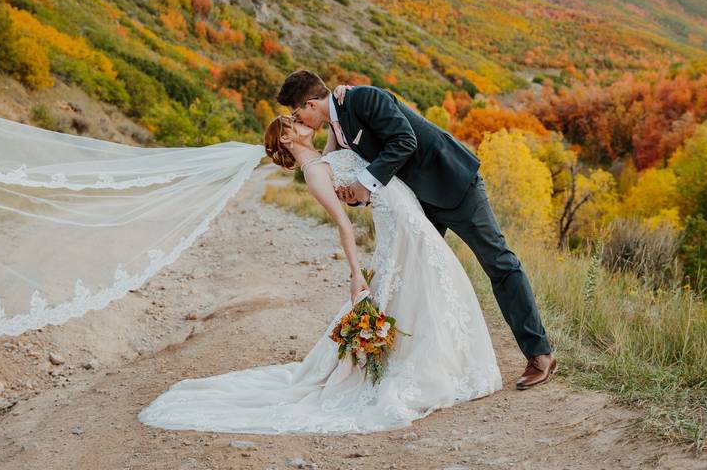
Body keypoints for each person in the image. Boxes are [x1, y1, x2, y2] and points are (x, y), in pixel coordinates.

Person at [136, 113, 502, 434]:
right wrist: (356, 275)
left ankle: (439, 359)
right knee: (418, 285)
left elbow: (333, 126)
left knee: (423, 287)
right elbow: (344, 226)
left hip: (406, 212)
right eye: (295, 123)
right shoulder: (313, 173)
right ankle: (429, 365)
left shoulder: (321, 157)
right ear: (285, 138)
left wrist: (336, 102)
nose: (303, 122)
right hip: (397, 223)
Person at [277, 70, 556, 390]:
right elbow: (368, 176)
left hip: (453, 186)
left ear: (311, 105)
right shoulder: (338, 130)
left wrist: (364, 184)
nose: (296, 119)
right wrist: (355, 193)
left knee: (499, 263)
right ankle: (439, 362)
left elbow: (404, 140)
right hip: (416, 204)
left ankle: (540, 355)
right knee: (418, 278)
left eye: (296, 113)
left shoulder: (363, 97)